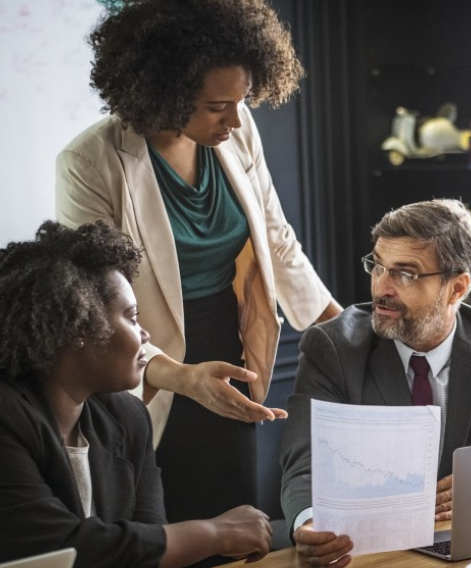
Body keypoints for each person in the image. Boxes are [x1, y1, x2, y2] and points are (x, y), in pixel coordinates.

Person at [56, 0, 341, 527]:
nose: (235, 119)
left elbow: (278, 241)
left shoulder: (237, 126)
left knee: (233, 515)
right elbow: (93, 307)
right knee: (164, 520)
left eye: (243, 101)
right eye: (216, 107)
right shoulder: (89, 163)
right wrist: (181, 377)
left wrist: (345, 330)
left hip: (228, 346)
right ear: (164, 90)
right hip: (141, 360)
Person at [280, 199, 471, 568]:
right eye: (377, 266)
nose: (382, 287)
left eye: (405, 274)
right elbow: (304, 462)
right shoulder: (333, 347)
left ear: (457, 288)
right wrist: (310, 522)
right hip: (373, 561)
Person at [0, 221, 273, 568]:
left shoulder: (127, 417)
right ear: (77, 328)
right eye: (131, 316)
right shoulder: (8, 418)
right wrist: (214, 533)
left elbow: (147, 534)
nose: (145, 335)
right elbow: (63, 551)